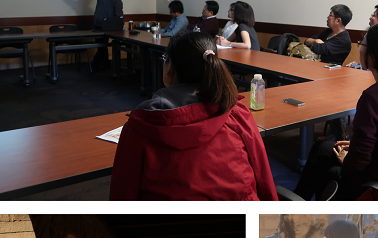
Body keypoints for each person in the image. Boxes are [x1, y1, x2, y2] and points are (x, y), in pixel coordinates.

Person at [110, 32, 278, 200]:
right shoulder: (237, 113)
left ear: (169, 68)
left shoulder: (141, 126)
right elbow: (263, 178)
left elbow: (122, 197)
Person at [292, 23, 378, 201]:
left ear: (374, 55)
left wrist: (347, 159)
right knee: (324, 148)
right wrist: (354, 148)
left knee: (330, 170)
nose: (360, 48)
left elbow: (356, 164)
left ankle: (299, 208)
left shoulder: (375, 96)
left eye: (363, 44)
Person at [67, 0, 123, 71]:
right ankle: (106, 66)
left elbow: (119, 12)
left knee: (101, 47)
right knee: (102, 47)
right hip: (97, 25)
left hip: (108, 26)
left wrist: (119, 26)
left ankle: (94, 67)